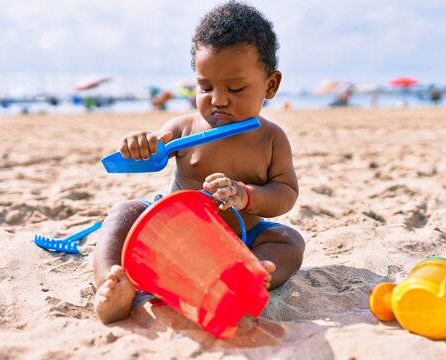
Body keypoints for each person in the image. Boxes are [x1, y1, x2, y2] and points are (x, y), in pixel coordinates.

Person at [93, 0, 305, 324]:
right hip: (167, 236)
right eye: (205, 87)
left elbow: (285, 192)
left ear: (270, 85)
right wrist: (142, 144)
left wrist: (248, 195)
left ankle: (245, 279)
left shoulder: (271, 138)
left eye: (235, 88)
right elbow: (157, 148)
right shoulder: (185, 126)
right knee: (125, 212)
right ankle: (113, 282)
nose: (218, 99)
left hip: (236, 243)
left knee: (289, 242)